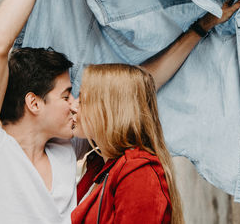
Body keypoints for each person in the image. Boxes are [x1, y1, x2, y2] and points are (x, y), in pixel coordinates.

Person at [0, 0, 240, 223]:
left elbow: (137, 88)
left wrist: (201, 28)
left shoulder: (63, 146)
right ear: (34, 103)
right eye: (66, 95)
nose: (75, 105)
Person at [71, 64, 183, 224]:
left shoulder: (138, 171)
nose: (73, 106)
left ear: (110, 109)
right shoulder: (101, 166)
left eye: (82, 99)